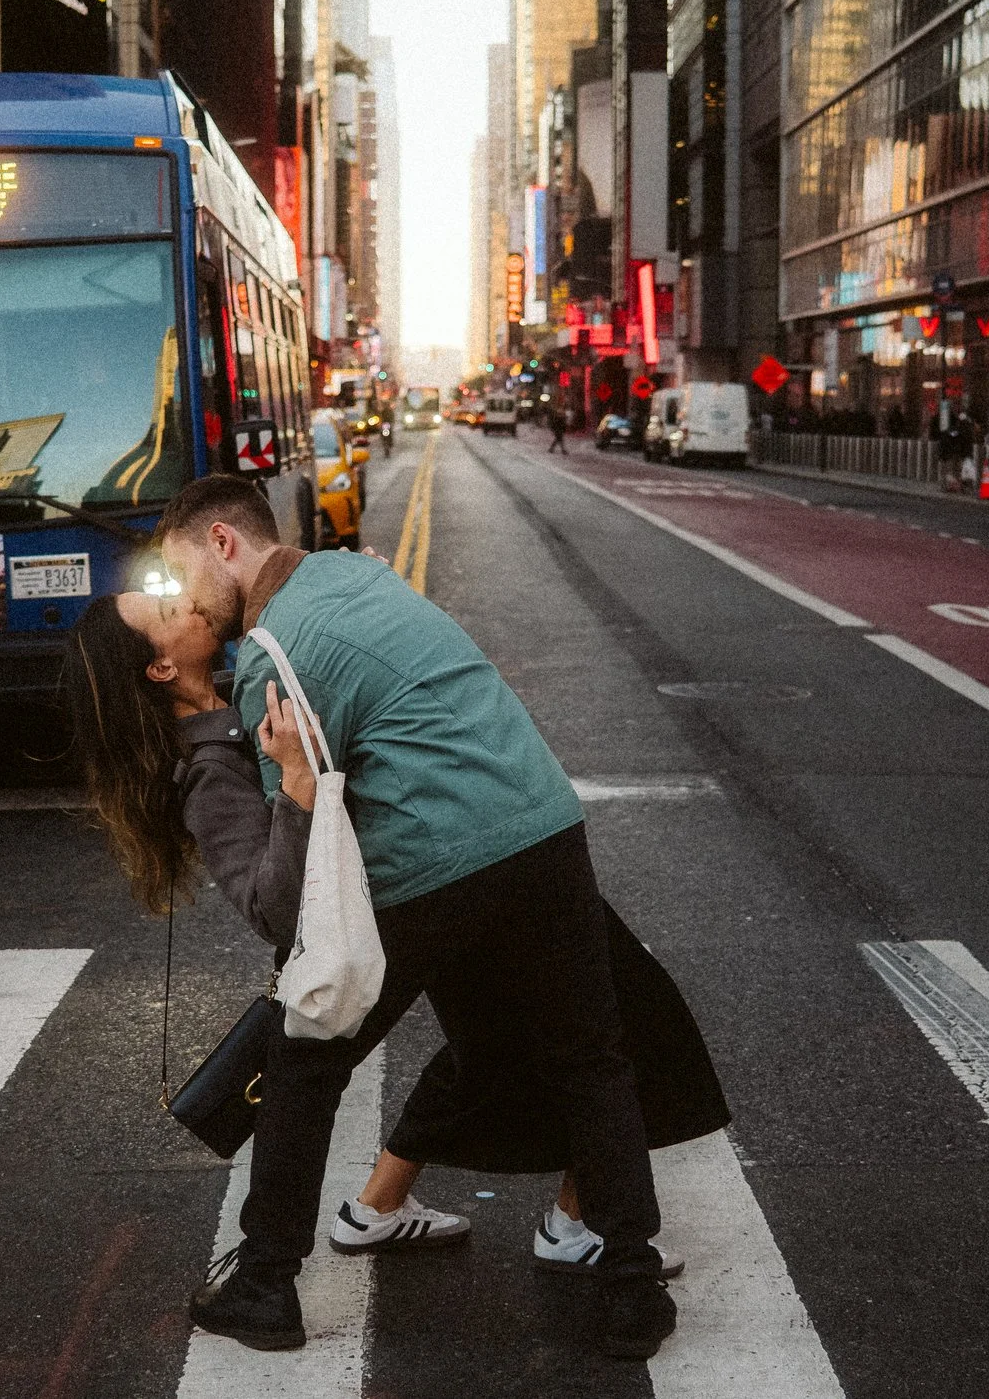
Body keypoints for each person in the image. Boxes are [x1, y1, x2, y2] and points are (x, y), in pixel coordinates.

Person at [83, 476, 690, 1360]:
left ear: (223, 545)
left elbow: (289, 903)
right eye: (166, 599)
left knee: (302, 1060)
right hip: (545, 824)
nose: (186, 598)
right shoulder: (359, 576)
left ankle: (264, 1281)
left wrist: (290, 786)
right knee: (592, 1055)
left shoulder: (268, 665)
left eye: (178, 575)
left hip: (433, 863)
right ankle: (630, 1284)